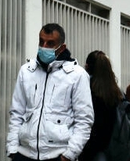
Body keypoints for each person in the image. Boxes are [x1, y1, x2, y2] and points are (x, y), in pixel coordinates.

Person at [6, 23, 94, 161]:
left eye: (50, 43)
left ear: (61, 47)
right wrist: (12, 149)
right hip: (24, 154)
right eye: (41, 41)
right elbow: (17, 112)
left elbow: (84, 120)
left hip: (58, 155)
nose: (44, 47)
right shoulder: (27, 71)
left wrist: (69, 155)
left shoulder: (77, 75)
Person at [81, 50, 123, 161]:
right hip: (110, 148)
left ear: (87, 66)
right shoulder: (115, 92)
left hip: (89, 150)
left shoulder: (86, 90)